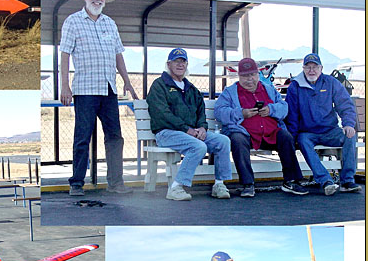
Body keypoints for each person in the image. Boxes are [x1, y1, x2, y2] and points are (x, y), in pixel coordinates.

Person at [60, 0, 138, 196]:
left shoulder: (109, 23)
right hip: (85, 89)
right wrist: (65, 85)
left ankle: (116, 182)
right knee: (82, 136)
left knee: (115, 136)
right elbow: (65, 54)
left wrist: (127, 81)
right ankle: (76, 183)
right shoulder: (73, 21)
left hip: (109, 88)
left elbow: (117, 54)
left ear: (105, 0)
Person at [214, 58, 308, 198]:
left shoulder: (269, 89)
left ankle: (291, 181)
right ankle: (248, 184)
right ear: (239, 76)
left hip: (270, 132)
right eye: (245, 76)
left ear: (258, 74)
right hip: (245, 133)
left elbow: (284, 108)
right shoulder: (230, 92)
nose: (249, 79)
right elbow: (219, 112)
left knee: (286, 137)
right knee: (237, 140)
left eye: (252, 75)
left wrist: (271, 110)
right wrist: (241, 113)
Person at [146, 48, 232, 201]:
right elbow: (162, 114)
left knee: (223, 141)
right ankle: (176, 188)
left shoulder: (191, 88)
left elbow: (201, 111)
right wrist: (186, 129)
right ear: (169, 64)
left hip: (190, 133)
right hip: (166, 133)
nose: (180, 65)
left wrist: (202, 128)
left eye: (183, 61)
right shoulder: (159, 85)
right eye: (176, 61)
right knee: (198, 146)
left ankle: (219, 184)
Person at [285, 53, 361, 195]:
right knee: (303, 141)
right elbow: (292, 115)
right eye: (308, 67)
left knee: (350, 136)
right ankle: (325, 181)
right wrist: (292, 137)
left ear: (321, 68)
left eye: (315, 67)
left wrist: (349, 124)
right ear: (303, 69)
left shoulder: (331, 82)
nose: (311, 70)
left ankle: (347, 181)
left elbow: (345, 105)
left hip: (330, 131)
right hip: (307, 133)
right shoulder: (295, 86)